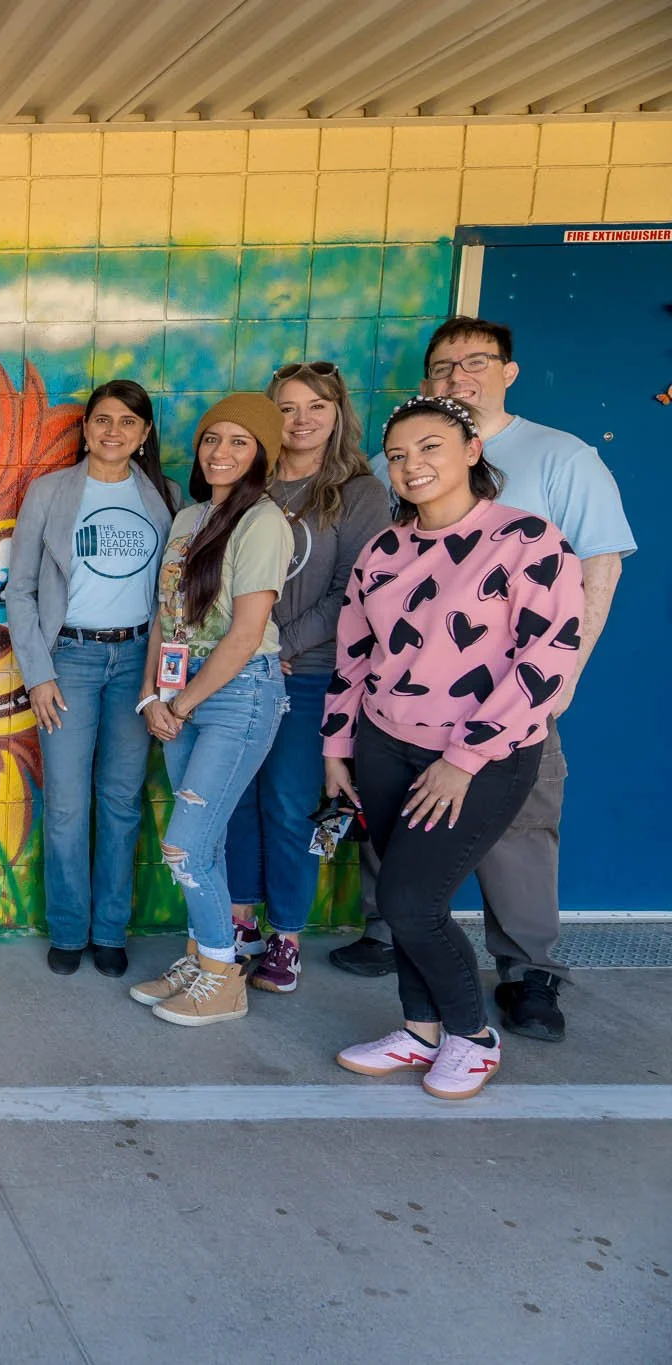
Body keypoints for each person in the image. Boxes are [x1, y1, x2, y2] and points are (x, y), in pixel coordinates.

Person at [347, 318, 633, 1041]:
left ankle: (527, 971)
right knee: (406, 850)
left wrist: (557, 681)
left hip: (511, 702)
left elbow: (600, 566)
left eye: (476, 361)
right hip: (404, 712)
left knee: (521, 830)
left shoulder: (562, 457)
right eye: (442, 367)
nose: (458, 376)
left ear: (508, 370)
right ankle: (407, 972)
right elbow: (392, 588)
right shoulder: (399, 467)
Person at [327, 396, 582, 1098]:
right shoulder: (384, 548)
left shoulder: (528, 540)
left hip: (482, 759)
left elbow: (546, 658)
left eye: (431, 447)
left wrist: (463, 757)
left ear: (471, 450)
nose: (414, 465)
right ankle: (419, 1030)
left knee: (411, 899)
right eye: (401, 454)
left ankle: (471, 1034)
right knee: (408, 897)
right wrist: (336, 749)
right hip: (385, 744)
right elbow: (354, 656)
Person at [223, 364, 390, 994]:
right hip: (238, 671)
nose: (301, 420)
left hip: (309, 674)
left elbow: (355, 591)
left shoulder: (358, 491)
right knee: (235, 800)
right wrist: (246, 653)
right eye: (286, 408)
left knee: (290, 805)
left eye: (315, 407)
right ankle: (242, 926)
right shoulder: (249, 483)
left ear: (338, 413)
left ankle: (285, 938)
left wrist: (278, 646)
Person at [129, 394, 291, 1027]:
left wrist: (187, 701)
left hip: (238, 693)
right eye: (211, 439)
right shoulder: (189, 517)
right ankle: (202, 958)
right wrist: (154, 697)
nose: (220, 452)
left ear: (260, 455)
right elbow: (165, 618)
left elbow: (247, 633)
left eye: (238, 442)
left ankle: (224, 977)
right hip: (180, 693)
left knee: (184, 846)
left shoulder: (263, 522)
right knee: (208, 841)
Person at [7, 379, 174, 979]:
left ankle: (110, 930)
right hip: (70, 661)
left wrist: (163, 679)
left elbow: (175, 596)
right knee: (68, 808)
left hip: (137, 664)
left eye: (128, 422)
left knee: (122, 803)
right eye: (102, 420)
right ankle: (69, 929)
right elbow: (21, 589)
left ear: (144, 433)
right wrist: (39, 674)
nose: (113, 432)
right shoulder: (51, 493)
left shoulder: (164, 497)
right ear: (85, 429)